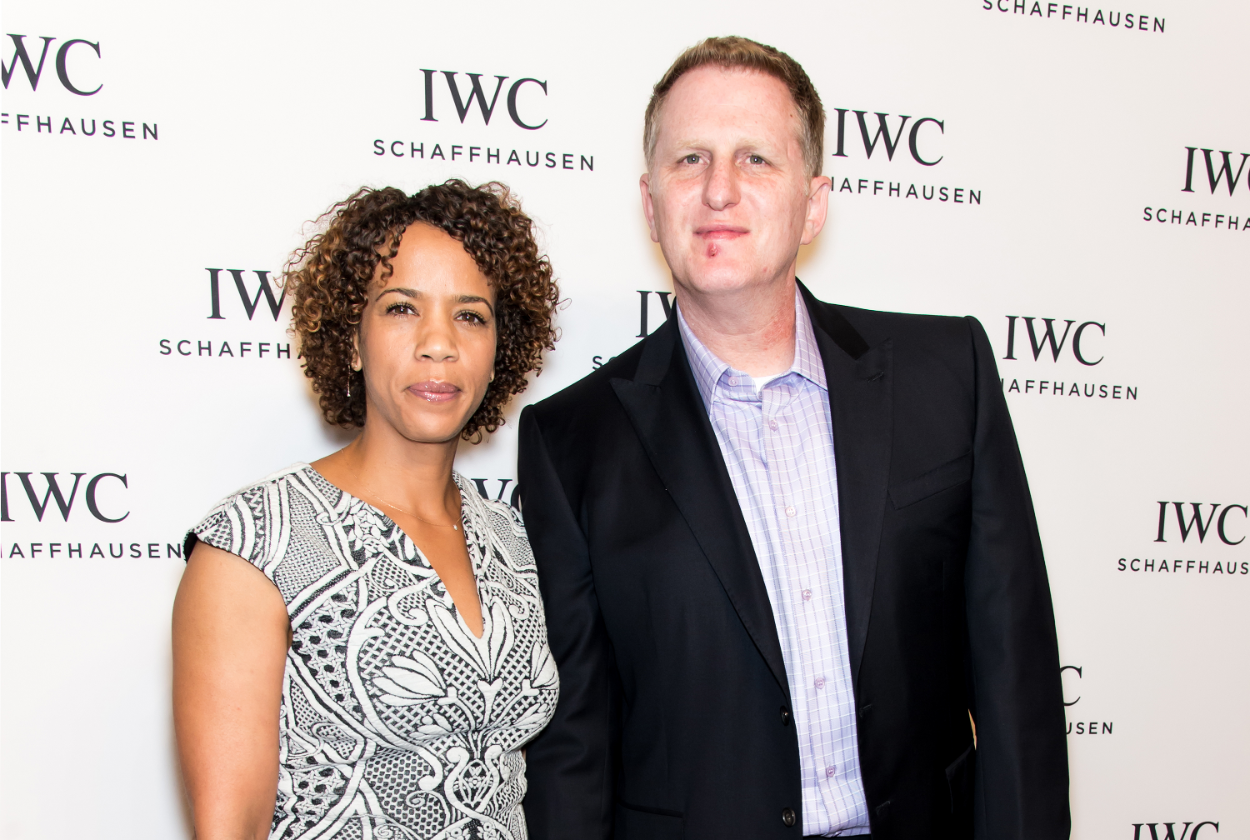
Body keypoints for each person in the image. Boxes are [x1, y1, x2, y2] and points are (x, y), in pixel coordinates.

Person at [518, 36, 1069, 840]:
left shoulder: (948, 374)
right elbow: (575, 746)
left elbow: (1017, 680)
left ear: (814, 204)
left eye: (756, 159)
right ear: (650, 203)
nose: (719, 190)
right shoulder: (571, 440)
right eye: (690, 160)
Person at [172, 180, 561, 840]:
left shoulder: (513, 538)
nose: (438, 342)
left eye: (470, 316)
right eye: (402, 308)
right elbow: (230, 826)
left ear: (501, 349)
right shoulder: (256, 542)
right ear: (352, 340)